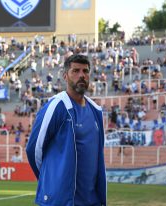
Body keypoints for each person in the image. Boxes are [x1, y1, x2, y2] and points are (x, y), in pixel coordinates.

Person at [26, 54, 106, 205]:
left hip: (91, 201)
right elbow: (33, 149)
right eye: (75, 71)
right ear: (65, 76)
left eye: (85, 71)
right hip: (60, 201)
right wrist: (50, 181)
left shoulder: (96, 112)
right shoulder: (56, 107)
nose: (81, 75)